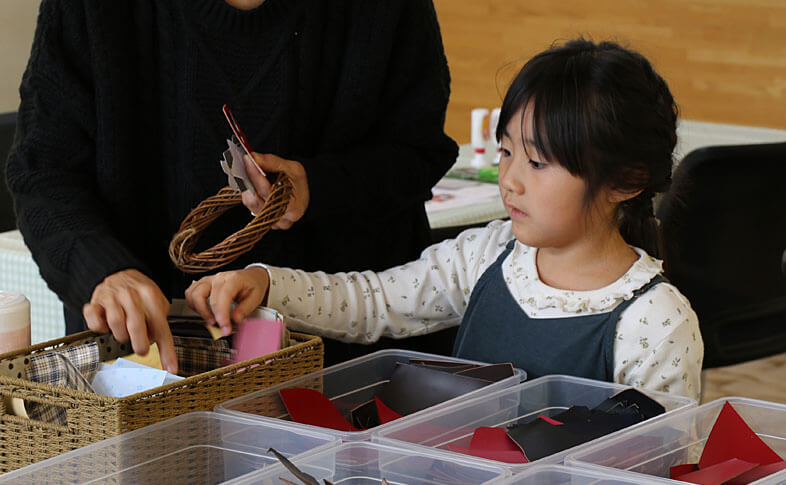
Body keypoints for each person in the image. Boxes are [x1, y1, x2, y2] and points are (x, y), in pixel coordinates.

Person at [186, 38, 705, 400]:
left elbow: (656, 465)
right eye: (506, 153)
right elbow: (372, 303)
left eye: (539, 163)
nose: (511, 180)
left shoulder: (654, 323)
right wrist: (266, 283)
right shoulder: (488, 254)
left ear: (627, 181)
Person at [6, 0, 458, 373]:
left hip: (343, 361)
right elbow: (42, 171)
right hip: (143, 367)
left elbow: (418, 151)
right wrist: (102, 270)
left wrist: (319, 186)